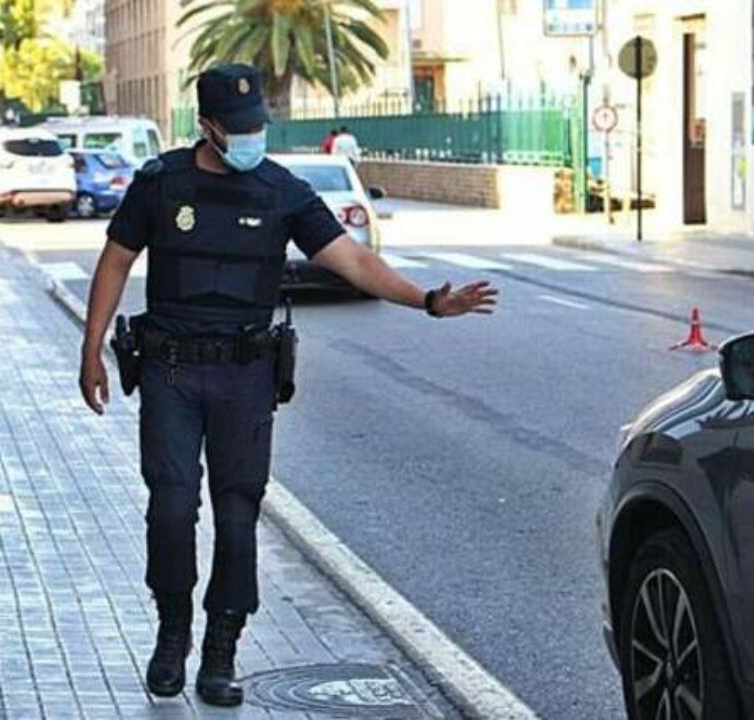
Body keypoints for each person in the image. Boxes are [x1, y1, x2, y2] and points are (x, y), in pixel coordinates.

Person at [77, 64, 497, 707]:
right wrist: (91, 350)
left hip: (245, 376)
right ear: (207, 126)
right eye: (238, 128)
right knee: (171, 507)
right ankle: (172, 631)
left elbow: (353, 259)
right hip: (171, 372)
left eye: (257, 126)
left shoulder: (282, 191)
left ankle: (222, 650)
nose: (252, 137)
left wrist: (427, 301)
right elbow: (115, 261)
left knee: (238, 515)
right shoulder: (161, 183)